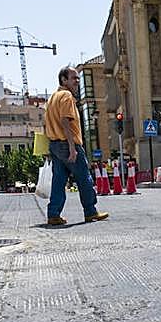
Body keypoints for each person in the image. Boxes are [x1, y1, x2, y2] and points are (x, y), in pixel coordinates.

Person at [42, 66, 108, 226]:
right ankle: (90, 212)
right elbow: (65, 121)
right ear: (63, 80)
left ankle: (53, 214)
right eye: (73, 78)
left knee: (58, 181)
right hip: (68, 144)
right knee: (84, 177)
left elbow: (45, 125)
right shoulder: (66, 96)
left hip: (55, 145)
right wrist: (72, 147)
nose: (77, 82)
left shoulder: (51, 99)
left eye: (78, 78)